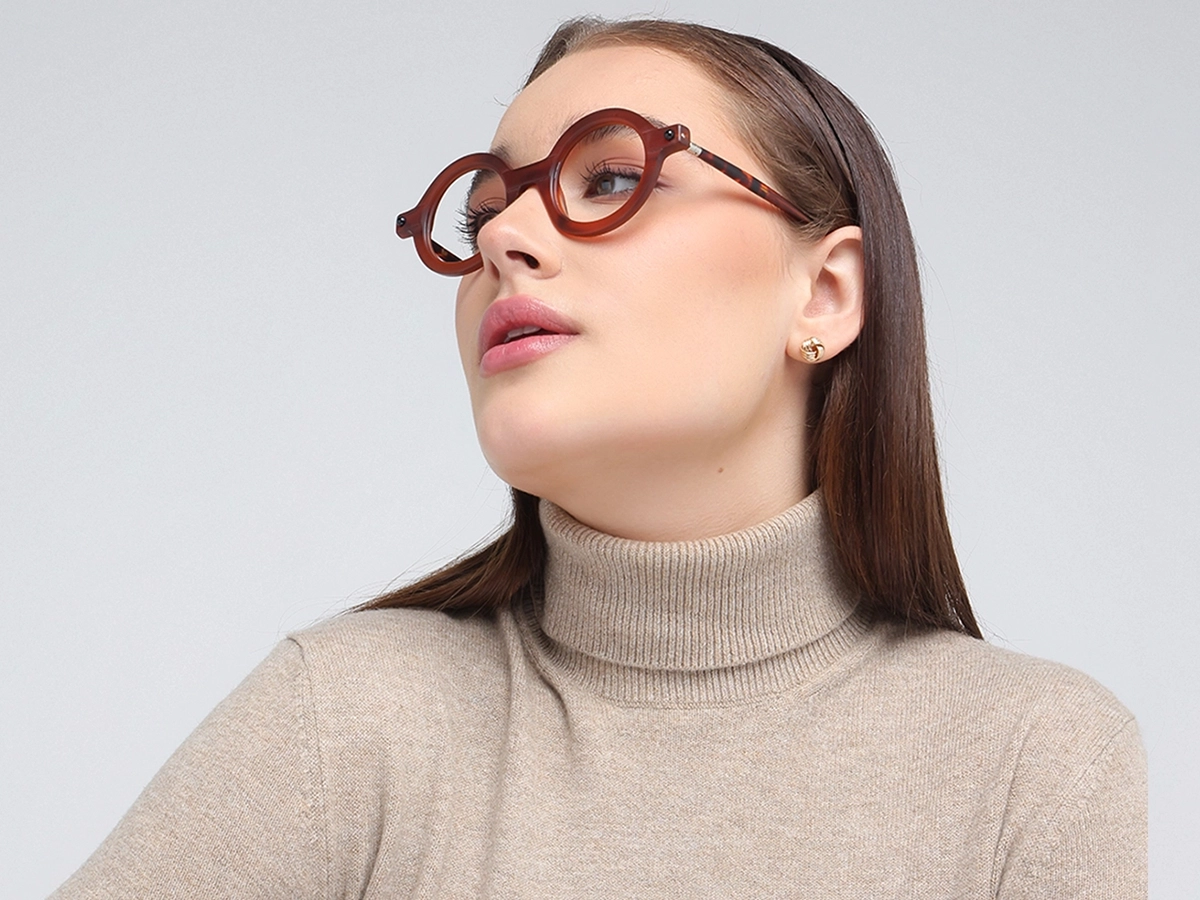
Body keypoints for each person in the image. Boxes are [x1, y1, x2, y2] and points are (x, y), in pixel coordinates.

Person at [52, 16, 1146, 899]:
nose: (500, 239)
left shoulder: (1033, 762)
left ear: (823, 294)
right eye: (482, 213)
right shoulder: (347, 721)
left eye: (611, 179)